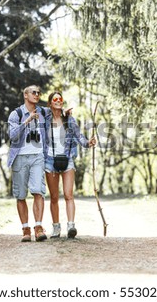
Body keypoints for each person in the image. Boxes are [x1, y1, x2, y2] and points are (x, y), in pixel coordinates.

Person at [45, 92, 96, 239]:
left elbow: (80, 137)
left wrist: (88, 143)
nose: (58, 100)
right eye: (55, 99)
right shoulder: (45, 120)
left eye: (60, 99)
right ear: (50, 103)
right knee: (54, 197)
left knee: (69, 195)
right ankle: (56, 227)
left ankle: (71, 226)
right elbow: (38, 110)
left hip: (67, 160)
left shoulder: (69, 120)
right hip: (50, 160)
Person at [7, 85, 48, 242]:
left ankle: (38, 227)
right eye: (34, 92)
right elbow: (12, 135)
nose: (37, 95)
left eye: (39, 93)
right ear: (25, 95)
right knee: (21, 195)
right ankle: (25, 229)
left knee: (38, 191)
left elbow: (58, 114)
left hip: (38, 156)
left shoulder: (43, 112)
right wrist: (27, 121)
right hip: (20, 157)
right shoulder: (16, 114)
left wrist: (66, 114)